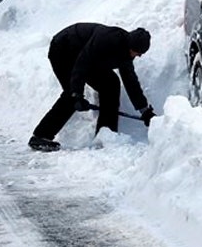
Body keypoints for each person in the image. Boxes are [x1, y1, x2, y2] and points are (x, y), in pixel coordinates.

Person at [28, 22, 156, 152]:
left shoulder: (127, 53)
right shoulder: (107, 40)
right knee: (70, 94)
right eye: (138, 52)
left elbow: (130, 81)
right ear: (131, 46)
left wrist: (144, 110)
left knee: (111, 84)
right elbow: (82, 64)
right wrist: (77, 95)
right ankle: (40, 136)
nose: (139, 56)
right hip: (63, 49)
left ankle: (106, 134)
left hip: (86, 56)